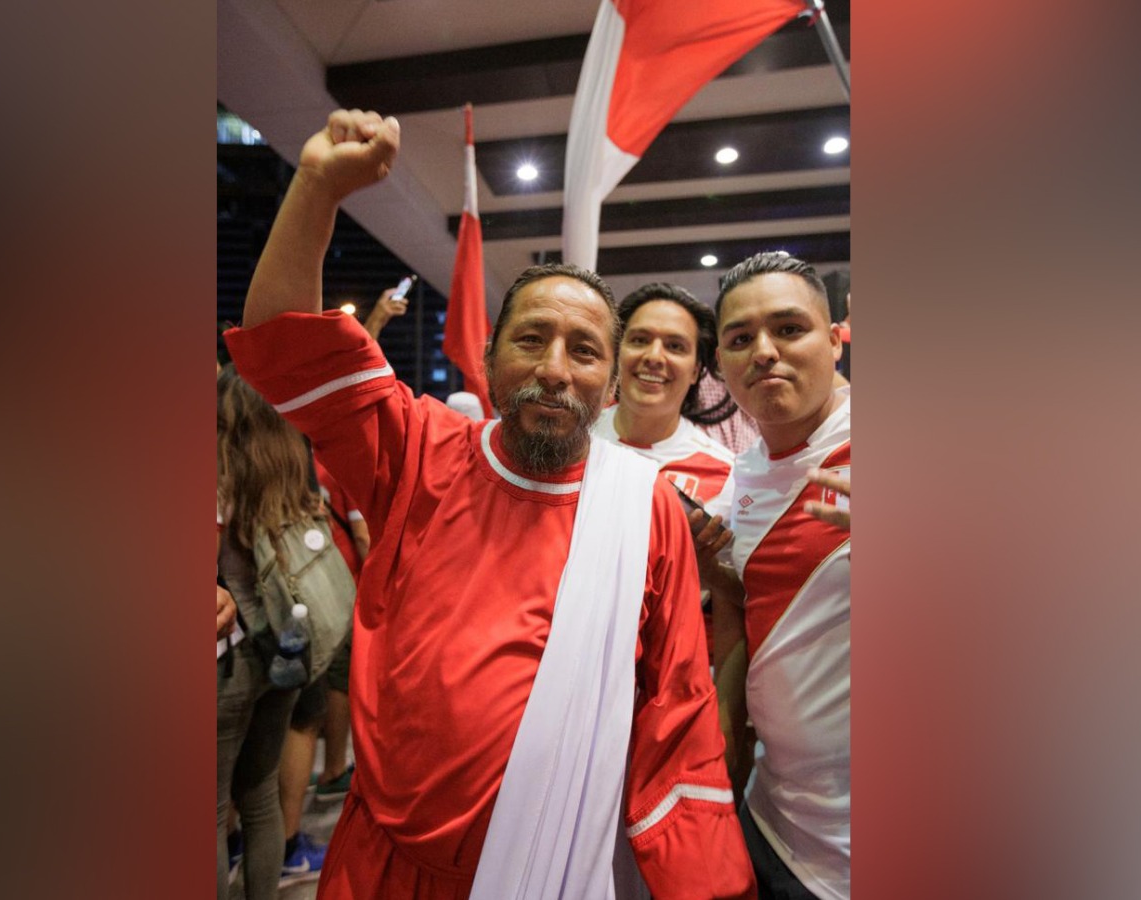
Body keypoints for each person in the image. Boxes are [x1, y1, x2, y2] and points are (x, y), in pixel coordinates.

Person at [224, 108, 754, 899]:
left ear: (609, 383)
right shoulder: (419, 447)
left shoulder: (646, 508)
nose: (554, 369)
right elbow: (287, 342)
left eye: (583, 351)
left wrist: (703, 885)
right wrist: (316, 188)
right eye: (531, 340)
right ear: (489, 360)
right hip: (385, 862)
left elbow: (673, 707)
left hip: (557, 861)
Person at [697, 251, 851, 900]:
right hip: (779, 831)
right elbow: (748, 623)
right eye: (740, 339)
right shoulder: (744, 479)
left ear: (836, 338)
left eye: (789, 329)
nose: (763, 351)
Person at [217, 363, 323, 900]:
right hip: (288, 648)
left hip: (230, 659)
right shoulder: (293, 466)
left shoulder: (218, 474)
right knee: (259, 797)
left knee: (211, 813)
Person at [590, 282, 736, 663]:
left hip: (667, 674)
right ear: (617, 352)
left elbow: (732, 603)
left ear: (696, 371)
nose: (655, 357)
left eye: (675, 346)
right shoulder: (570, 445)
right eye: (639, 340)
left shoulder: (727, 474)